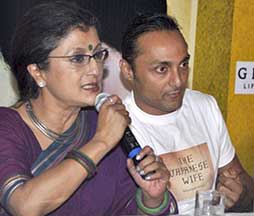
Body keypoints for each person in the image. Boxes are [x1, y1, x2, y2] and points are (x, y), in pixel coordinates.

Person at [0, 2, 178, 216]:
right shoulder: (7, 128)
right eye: (78, 58)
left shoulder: (98, 124)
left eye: (98, 55)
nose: (95, 69)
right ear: (38, 72)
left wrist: (151, 199)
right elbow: (23, 205)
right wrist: (101, 141)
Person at [120, 13, 254, 215]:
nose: (178, 81)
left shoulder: (204, 106)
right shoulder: (118, 127)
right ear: (128, 71)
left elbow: (243, 186)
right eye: (162, 69)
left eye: (183, 64)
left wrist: (241, 194)